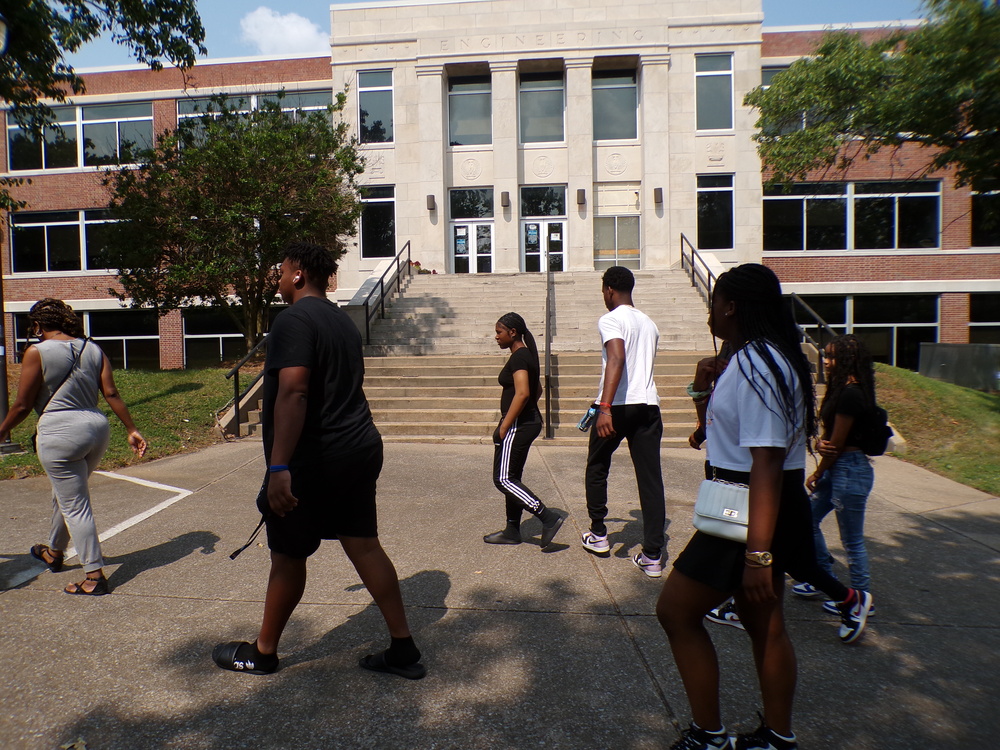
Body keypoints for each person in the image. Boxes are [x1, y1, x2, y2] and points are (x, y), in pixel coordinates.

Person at [655, 264, 871, 750]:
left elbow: (768, 462)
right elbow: (716, 436)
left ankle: (709, 736)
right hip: (756, 503)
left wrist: (758, 556)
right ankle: (777, 737)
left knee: (676, 612)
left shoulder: (758, 365)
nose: (710, 311)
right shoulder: (757, 358)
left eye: (714, 302)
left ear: (732, 306)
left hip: (747, 508)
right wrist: (702, 389)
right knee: (764, 622)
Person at [212, 242, 425, 679]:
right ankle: (403, 647)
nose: (276, 276)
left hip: (317, 457)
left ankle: (264, 652)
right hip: (359, 446)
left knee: (288, 555)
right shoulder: (342, 322)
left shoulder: (293, 320)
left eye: (281, 268)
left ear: (297, 274)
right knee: (364, 544)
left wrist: (278, 468)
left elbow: (295, 390)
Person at [0, 298, 147, 596]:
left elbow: (23, 404)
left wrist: (2, 431)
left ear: (38, 324)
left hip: (60, 431)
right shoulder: (92, 348)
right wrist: (131, 428)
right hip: (96, 428)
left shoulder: (37, 352)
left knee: (75, 504)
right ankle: (54, 552)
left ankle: (94, 576)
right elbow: (111, 392)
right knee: (67, 494)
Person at [580, 266, 666, 578]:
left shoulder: (610, 318)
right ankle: (653, 554)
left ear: (608, 290)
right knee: (650, 479)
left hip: (616, 405)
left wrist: (604, 408)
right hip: (648, 407)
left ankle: (599, 534)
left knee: (598, 466)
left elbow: (616, 358)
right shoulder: (649, 323)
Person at [794, 335, 878, 613]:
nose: (827, 363)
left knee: (851, 540)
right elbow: (830, 441)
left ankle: (861, 598)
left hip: (848, 470)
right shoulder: (845, 389)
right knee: (806, 519)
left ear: (847, 361)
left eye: (832, 358)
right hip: (842, 468)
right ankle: (824, 579)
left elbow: (836, 446)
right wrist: (822, 445)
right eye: (826, 356)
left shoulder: (851, 393)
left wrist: (818, 471)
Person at [483, 312, 564, 547]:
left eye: (499, 332)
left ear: (513, 332)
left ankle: (547, 518)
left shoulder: (519, 357)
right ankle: (512, 530)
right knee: (513, 477)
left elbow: (523, 393)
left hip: (518, 425)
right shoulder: (527, 355)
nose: (496, 336)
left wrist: (505, 425)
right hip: (527, 421)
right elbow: (536, 389)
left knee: (503, 479)